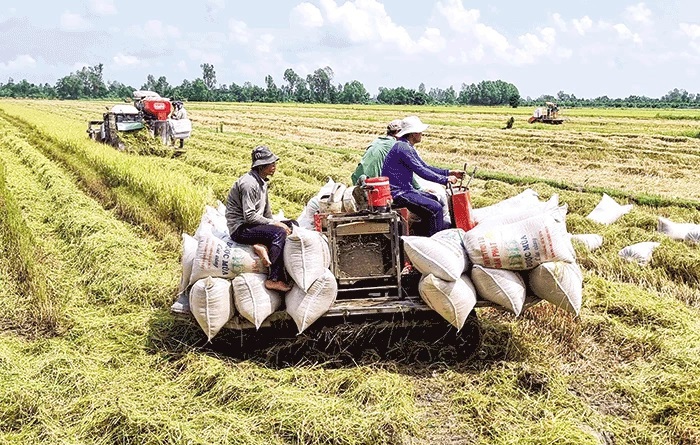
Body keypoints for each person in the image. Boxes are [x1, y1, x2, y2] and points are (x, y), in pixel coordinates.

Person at [225, 145, 296, 292]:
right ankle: (274, 279)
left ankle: (260, 245)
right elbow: (249, 216)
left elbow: (266, 213)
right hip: (241, 228)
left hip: (252, 226)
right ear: (260, 166)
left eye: (274, 163)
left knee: (292, 224)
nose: (274, 167)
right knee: (279, 233)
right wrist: (275, 225)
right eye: (270, 164)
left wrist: (277, 223)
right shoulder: (249, 184)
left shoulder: (262, 182)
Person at [381, 116, 464, 237]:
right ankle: (434, 241)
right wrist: (444, 180)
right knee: (435, 209)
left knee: (435, 199)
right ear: (413, 133)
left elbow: (425, 166)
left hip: (406, 189)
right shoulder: (403, 148)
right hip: (399, 192)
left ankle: (425, 233)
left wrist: (449, 172)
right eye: (420, 132)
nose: (421, 134)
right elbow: (421, 171)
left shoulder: (405, 146)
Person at [350, 119, 403, 185]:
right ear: (398, 132)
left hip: (357, 178)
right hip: (372, 183)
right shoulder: (395, 145)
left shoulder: (377, 141)